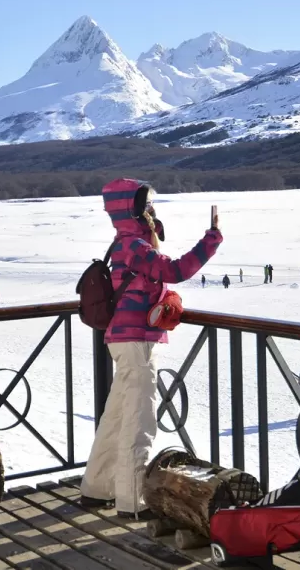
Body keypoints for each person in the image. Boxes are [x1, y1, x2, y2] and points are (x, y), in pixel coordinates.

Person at [80, 178, 222, 519]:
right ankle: (131, 501)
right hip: (136, 342)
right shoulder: (134, 246)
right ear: (130, 207)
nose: (149, 208)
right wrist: (211, 240)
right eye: (143, 203)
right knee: (139, 420)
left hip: (125, 340)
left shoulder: (127, 242)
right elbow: (173, 270)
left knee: (116, 416)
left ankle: (97, 487)